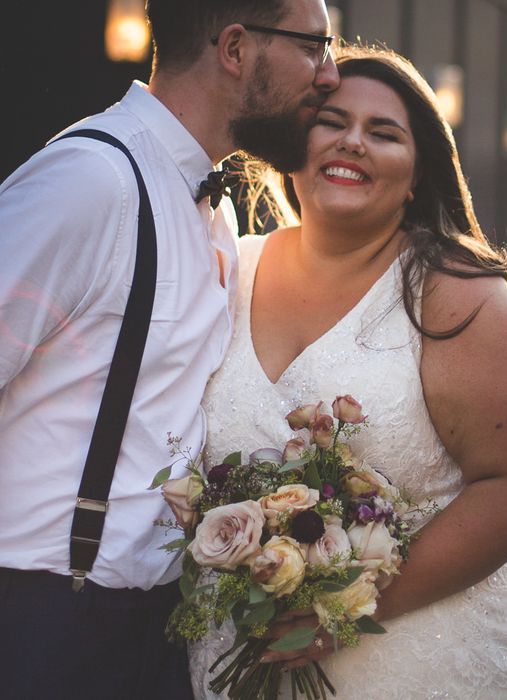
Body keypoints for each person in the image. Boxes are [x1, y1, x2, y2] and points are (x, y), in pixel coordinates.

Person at [193, 45, 507, 699]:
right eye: (332, 121)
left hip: (424, 660)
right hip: (242, 654)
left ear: (417, 172)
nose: (353, 142)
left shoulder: (453, 294)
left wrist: (344, 607)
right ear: (295, 143)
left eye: (384, 133)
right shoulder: (226, 271)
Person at [0, 1, 339, 697]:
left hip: (154, 627)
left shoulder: (212, 211)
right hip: (45, 619)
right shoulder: (90, 183)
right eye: (314, 46)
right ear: (237, 49)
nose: (330, 74)